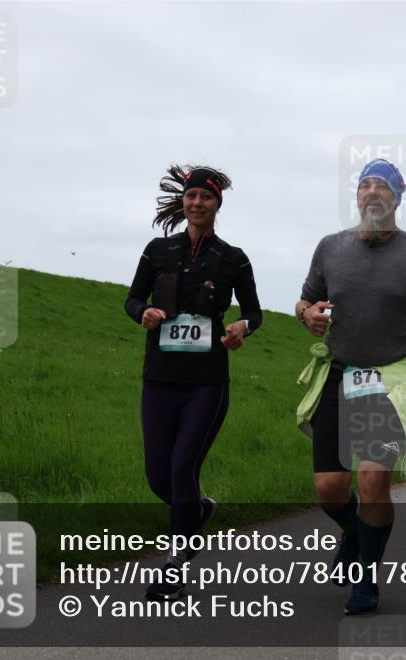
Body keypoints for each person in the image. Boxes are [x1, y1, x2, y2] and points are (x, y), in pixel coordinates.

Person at [295, 158, 406, 615]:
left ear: (397, 197)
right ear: (357, 196)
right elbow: (304, 299)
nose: (371, 193)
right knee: (329, 488)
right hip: (340, 372)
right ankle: (354, 530)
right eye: (364, 185)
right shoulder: (330, 247)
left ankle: (365, 580)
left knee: (372, 479)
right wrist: (306, 313)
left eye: (381, 187)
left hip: (388, 376)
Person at [125, 164, 262, 601]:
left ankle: (175, 565)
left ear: (217, 203)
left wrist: (242, 327)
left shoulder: (233, 258)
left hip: (206, 383)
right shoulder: (157, 250)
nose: (197, 203)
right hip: (159, 378)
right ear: (183, 202)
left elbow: (254, 312)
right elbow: (132, 298)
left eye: (206, 197)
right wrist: (141, 313)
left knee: (184, 468)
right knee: (158, 477)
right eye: (191, 197)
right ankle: (199, 513)